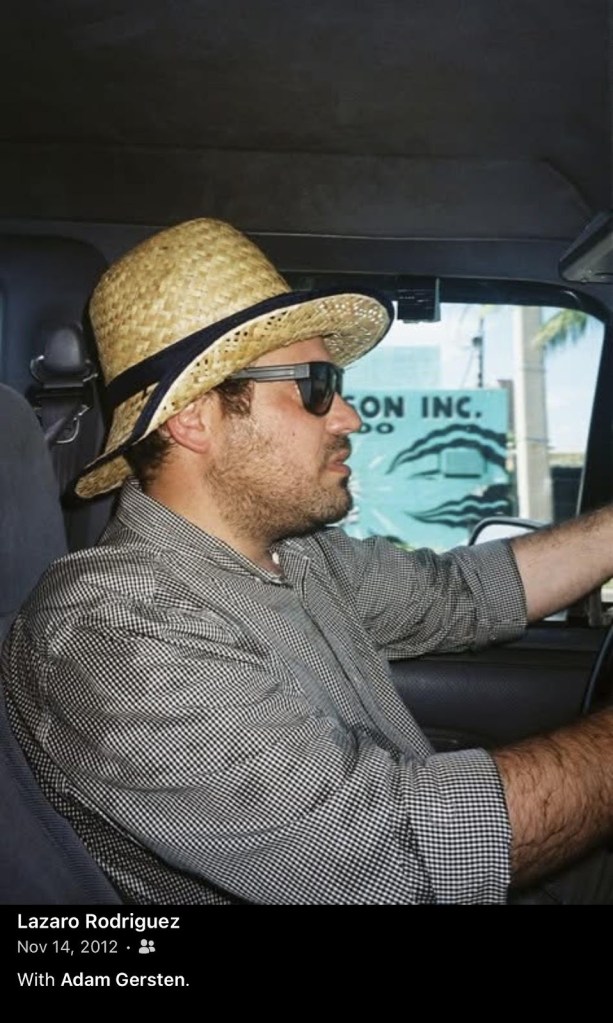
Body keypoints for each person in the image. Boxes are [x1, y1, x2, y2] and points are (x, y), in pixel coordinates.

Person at [3, 217, 613, 905]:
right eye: (316, 385)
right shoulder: (110, 635)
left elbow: (462, 592)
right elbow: (390, 856)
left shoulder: (295, 554)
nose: (349, 416)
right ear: (193, 418)